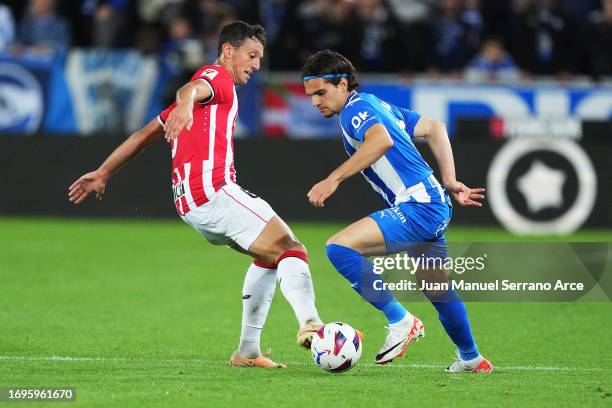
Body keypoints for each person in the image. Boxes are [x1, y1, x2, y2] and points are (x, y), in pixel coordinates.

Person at [68, 21, 323, 369]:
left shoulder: (212, 94)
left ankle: (247, 353)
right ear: (229, 51)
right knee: (292, 249)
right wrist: (186, 102)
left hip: (191, 204)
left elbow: (145, 134)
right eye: (251, 55)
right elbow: (192, 88)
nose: (256, 65)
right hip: (213, 191)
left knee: (270, 256)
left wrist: (105, 171)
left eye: (260, 58)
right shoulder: (217, 78)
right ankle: (313, 326)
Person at [301, 50, 493, 372]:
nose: (315, 101)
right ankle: (471, 358)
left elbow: (381, 141)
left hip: (418, 206)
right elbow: (435, 128)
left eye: (321, 92)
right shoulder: (378, 104)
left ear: (343, 84)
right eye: (310, 95)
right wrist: (449, 181)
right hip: (433, 203)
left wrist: (333, 179)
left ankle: (400, 320)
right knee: (438, 290)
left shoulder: (355, 110)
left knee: (338, 248)